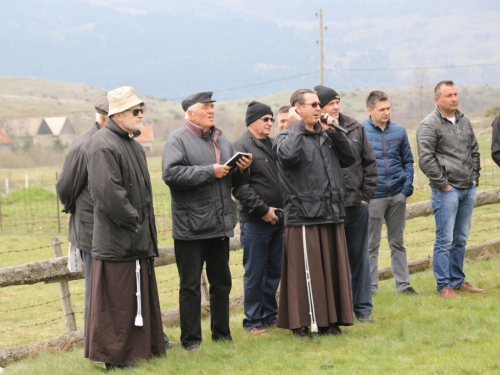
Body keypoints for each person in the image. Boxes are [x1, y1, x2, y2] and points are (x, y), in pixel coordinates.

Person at [162, 91, 252, 352]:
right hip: (191, 227)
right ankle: (191, 341)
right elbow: (171, 174)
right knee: (190, 286)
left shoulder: (222, 140)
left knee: (222, 283)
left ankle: (222, 336)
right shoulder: (178, 139)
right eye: (206, 107)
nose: (212, 111)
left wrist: (241, 169)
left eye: (213, 107)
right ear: (190, 113)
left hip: (220, 225)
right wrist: (209, 171)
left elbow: (232, 180)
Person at [85, 86, 165, 369]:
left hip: (135, 238)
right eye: (135, 110)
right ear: (118, 114)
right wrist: (134, 222)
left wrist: (142, 227)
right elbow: (108, 194)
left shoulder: (131, 144)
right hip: (119, 240)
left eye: (141, 109)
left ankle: (140, 350)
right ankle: (117, 359)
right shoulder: (103, 144)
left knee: (135, 298)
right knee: (118, 304)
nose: (140, 114)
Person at [274, 88, 355, 338]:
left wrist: (334, 132)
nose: (318, 108)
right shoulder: (286, 136)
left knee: (331, 271)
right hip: (304, 216)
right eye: (312, 105)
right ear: (298, 109)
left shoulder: (327, 136)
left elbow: (350, 157)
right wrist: (298, 126)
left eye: (319, 104)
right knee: (307, 274)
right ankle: (303, 324)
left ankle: (330, 321)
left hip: (331, 212)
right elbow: (288, 156)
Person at [315, 85, 377, 322]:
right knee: (331, 261)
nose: (336, 106)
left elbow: (369, 164)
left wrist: (365, 197)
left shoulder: (354, 127)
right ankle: (337, 310)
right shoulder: (316, 130)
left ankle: (363, 309)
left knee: (359, 258)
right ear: (320, 107)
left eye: (338, 101)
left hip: (355, 204)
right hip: (328, 207)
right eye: (331, 103)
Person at [417, 80, 484, 298]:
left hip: (467, 188)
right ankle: (443, 285)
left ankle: (458, 280)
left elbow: (474, 150)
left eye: (455, 94)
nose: (454, 98)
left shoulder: (464, 121)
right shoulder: (429, 125)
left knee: (461, 238)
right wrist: (444, 184)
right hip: (447, 191)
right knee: (444, 240)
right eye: (448, 95)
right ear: (437, 99)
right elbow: (426, 160)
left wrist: (474, 178)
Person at [56, 96, 108, 346]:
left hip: (114, 230)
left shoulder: (116, 141)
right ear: (104, 117)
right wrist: (71, 208)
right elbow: (65, 186)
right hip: (91, 229)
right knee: (95, 290)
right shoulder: (84, 145)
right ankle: (95, 345)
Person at [232, 101, 284, 335]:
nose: (270, 123)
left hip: (279, 219)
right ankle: (253, 321)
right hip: (255, 221)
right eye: (265, 119)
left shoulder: (273, 145)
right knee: (255, 271)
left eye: (272, 119)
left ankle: (270, 315)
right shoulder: (241, 147)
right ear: (252, 121)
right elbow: (240, 188)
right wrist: (264, 211)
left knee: (274, 270)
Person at [361, 91, 418, 295]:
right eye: (381, 109)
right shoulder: (360, 131)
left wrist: (405, 189)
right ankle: (370, 289)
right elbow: (356, 166)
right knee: (371, 245)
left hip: (397, 195)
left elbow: (408, 161)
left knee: (398, 242)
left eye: (388, 108)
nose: (386, 112)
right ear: (370, 110)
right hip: (373, 197)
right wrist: (364, 194)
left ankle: (403, 286)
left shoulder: (399, 131)